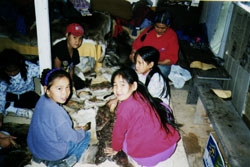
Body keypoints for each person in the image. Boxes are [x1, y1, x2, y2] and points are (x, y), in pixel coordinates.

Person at [104, 67, 181, 167]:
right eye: (115, 86)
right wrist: (118, 99)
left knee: (125, 140)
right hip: (170, 146)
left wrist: (115, 148)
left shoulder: (124, 108)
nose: (118, 89)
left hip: (149, 158)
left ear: (134, 85)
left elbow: (118, 132)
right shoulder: (141, 94)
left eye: (122, 85)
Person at [27, 68, 90, 166]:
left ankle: (40, 160)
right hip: (53, 153)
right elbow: (72, 138)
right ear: (46, 89)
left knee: (71, 132)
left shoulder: (41, 100)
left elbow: (53, 126)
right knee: (86, 136)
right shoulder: (58, 114)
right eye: (59, 88)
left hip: (36, 150)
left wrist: (71, 130)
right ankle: (66, 162)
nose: (65, 93)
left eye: (67, 87)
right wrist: (82, 131)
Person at [129, 10, 179, 77]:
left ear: (168, 26)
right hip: (144, 61)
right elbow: (136, 46)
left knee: (160, 73)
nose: (159, 30)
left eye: (162, 28)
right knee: (132, 72)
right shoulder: (148, 31)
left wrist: (152, 64)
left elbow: (171, 59)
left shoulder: (172, 36)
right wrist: (133, 53)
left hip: (160, 64)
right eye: (157, 27)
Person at [0, 49, 40, 128]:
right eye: (8, 71)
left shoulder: (29, 67)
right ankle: (12, 108)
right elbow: (1, 94)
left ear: (20, 66)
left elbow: (41, 72)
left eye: (14, 70)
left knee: (38, 101)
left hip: (27, 92)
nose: (12, 73)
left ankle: (10, 107)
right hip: (11, 94)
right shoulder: (2, 76)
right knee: (2, 101)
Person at [52, 23, 86, 90]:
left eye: (80, 39)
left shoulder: (75, 52)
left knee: (81, 85)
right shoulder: (60, 48)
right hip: (55, 74)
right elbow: (56, 70)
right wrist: (65, 83)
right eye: (74, 37)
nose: (77, 41)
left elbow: (71, 68)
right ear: (67, 35)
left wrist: (71, 80)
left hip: (65, 73)